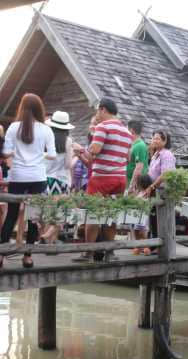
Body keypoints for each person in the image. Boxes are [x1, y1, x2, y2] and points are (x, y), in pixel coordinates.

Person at [0, 93, 56, 269]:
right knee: (33, 217)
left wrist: (18, 154)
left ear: (21, 108)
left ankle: (1, 256)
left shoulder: (13, 127)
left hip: (18, 176)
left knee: (11, 215)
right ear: (40, 109)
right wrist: (40, 155)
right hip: (38, 177)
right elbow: (53, 155)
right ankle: (28, 257)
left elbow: (6, 153)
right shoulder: (46, 129)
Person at [73, 98, 132, 262]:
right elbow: (127, 158)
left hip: (102, 178)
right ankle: (110, 252)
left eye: (97, 111)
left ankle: (88, 253)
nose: (96, 114)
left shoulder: (102, 127)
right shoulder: (127, 132)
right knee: (111, 215)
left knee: (93, 215)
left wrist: (81, 150)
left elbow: (94, 151)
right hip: (120, 179)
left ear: (103, 109)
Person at [39, 111, 75, 245]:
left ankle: (49, 242)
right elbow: (68, 164)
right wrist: (76, 157)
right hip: (60, 181)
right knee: (63, 212)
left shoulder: (44, 138)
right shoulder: (68, 141)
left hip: (44, 180)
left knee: (48, 212)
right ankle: (48, 236)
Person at [145, 130, 176, 255]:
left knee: (161, 219)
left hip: (163, 192)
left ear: (165, 141)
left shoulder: (166, 154)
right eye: (153, 138)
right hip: (154, 191)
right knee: (153, 219)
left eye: (158, 138)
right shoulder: (155, 155)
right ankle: (154, 245)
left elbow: (165, 174)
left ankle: (161, 246)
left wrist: (152, 186)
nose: (154, 141)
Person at [131, 174, 153, 255]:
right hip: (136, 216)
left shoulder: (146, 193)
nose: (137, 184)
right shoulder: (139, 192)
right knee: (136, 231)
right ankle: (138, 247)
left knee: (142, 232)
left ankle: (146, 247)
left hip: (143, 216)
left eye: (138, 183)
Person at [126, 120, 148, 191]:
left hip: (134, 184)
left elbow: (139, 167)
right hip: (127, 180)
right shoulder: (133, 144)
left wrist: (131, 185)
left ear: (131, 131)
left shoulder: (140, 145)